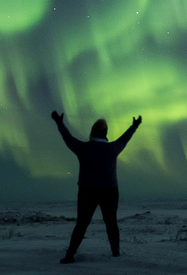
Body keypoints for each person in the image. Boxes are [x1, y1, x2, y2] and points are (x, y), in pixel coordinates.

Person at [51, 110, 142, 263]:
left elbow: (68, 139)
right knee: (111, 223)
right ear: (105, 133)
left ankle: (70, 255)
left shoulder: (83, 148)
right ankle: (116, 253)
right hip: (110, 191)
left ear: (92, 132)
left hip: (87, 191)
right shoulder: (113, 149)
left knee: (81, 224)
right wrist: (134, 126)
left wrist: (60, 123)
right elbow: (125, 139)